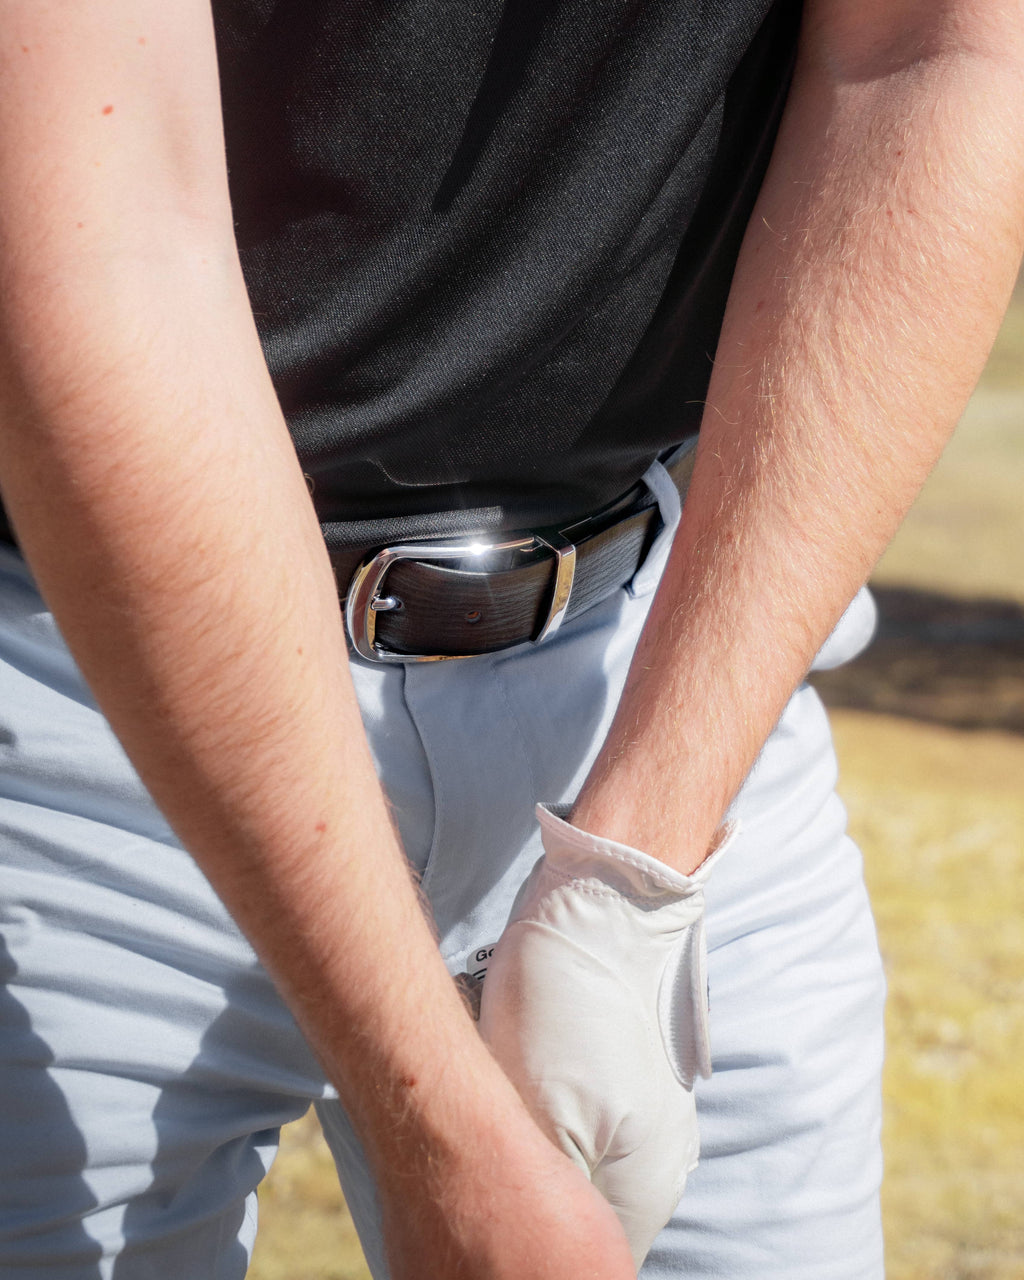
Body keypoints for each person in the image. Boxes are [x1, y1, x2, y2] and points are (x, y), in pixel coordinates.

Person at [0, 1, 1021, 1277]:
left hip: (654, 668)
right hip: (87, 695)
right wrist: (434, 1119)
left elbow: (928, 51)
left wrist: (632, 875)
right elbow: (109, 236)